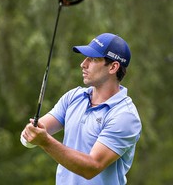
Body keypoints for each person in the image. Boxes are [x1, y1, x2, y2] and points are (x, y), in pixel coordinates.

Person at [21, 33, 142, 185]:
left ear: (113, 67)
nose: (83, 64)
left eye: (92, 59)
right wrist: (30, 136)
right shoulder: (74, 97)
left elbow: (91, 167)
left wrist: (44, 141)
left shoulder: (125, 116)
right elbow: (33, 133)